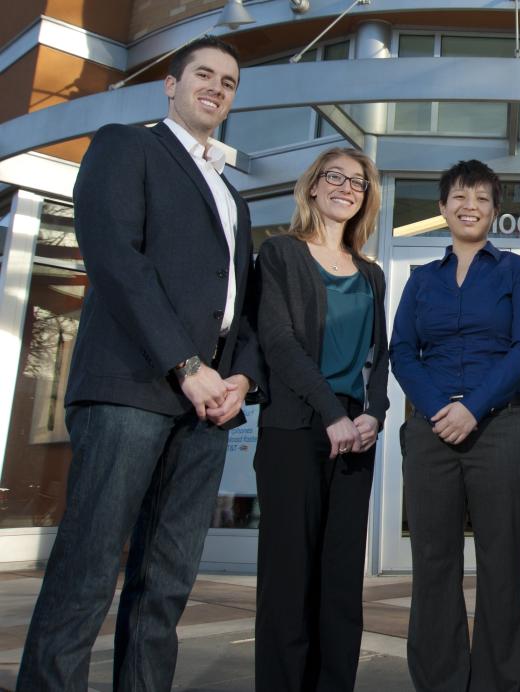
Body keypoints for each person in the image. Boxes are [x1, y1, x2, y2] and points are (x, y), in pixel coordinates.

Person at [17, 36, 263, 690]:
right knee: (90, 567)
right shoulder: (126, 146)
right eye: (203, 74)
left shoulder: (232, 197)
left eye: (228, 82)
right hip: (131, 388)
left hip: (207, 409)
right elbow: (116, 260)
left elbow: (238, 305)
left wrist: (239, 377)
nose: (216, 87)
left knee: (167, 581)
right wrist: (186, 363)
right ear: (171, 85)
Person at [390, 160, 520, 692]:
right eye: (458, 196)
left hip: (500, 428)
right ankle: (440, 682)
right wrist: (439, 408)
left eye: (480, 198)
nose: (469, 206)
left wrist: (473, 408)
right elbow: (402, 351)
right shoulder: (421, 280)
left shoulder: (516, 272)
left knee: (502, 564)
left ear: (495, 210)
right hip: (431, 430)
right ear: (442, 208)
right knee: (433, 563)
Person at [253, 147, 388, 691]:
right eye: (335, 177)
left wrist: (374, 414)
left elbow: (380, 355)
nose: (346, 188)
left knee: (340, 580)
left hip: (356, 434)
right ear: (312, 186)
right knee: (289, 578)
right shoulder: (280, 254)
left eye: (358, 182)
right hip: (296, 427)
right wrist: (331, 412)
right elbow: (278, 342)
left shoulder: (372, 274)